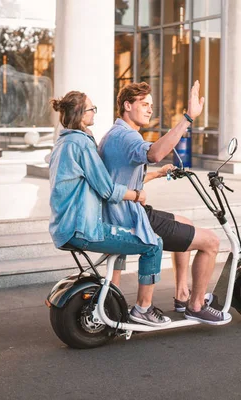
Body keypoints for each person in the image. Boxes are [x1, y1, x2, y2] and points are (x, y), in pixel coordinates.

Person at [98, 81, 231, 326]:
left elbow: (121, 177)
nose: (150, 110)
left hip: (123, 211)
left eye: (151, 105)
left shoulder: (114, 135)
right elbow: (155, 153)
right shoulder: (126, 136)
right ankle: (196, 305)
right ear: (127, 106)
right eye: (144, 104)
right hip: (130, 217)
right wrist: (188, 118)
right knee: (211, 242)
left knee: (185, 222)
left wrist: (156, 174)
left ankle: (182, 295)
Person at [48, 90, 170, 327]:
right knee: (153, 244)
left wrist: (152, 175)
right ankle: (143, 309)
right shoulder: (81, 143)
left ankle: (110, 301)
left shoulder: (63, 141)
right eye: (92, 109)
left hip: (64, 226)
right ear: (81, 115)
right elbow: (105, 188)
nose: (94, 112)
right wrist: (136, 196)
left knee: (122, 236)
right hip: (82, 227)